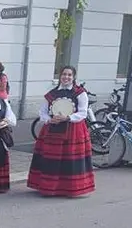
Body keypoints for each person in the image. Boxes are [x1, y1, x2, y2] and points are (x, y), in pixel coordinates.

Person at [27, 65, 95, 197]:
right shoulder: (52, 94)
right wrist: (48, 120)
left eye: (69, 75)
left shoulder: (80, 93)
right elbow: (43, 112)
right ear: (60, 76)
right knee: (52, 159)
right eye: (64, 74)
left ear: (73, 77)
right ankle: (50, 187)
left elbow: (83, 113)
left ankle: (70, 188)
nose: (66, 77)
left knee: (70, 159)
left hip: (73, 130)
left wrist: (68, 117)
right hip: (53, 128)